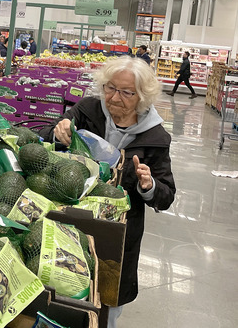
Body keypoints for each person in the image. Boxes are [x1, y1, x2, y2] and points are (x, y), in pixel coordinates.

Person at [40, 57, 176, 328]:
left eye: (126, 92)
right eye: (110, 88)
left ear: (142, 97)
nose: (114, 97)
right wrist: (58, 132)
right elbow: (44, 138)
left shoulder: (156, 137)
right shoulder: (87, 110)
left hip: (115, 234)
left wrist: (148, 185)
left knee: (107, 301)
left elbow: (167, 195)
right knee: (61, 290)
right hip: (70, 216)